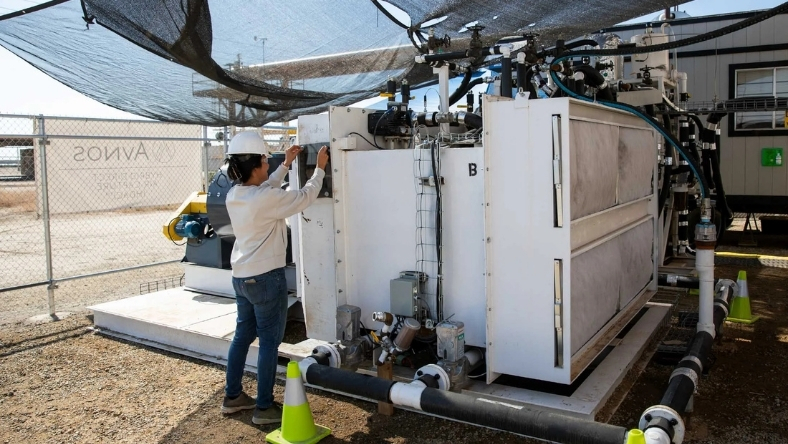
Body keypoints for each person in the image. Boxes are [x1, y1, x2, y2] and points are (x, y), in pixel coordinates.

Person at [219, 130, 328, 425]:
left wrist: (286, 164)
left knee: (242, 336)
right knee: (269, 342)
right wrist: (319, 169)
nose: (269, 165)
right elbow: (304, 196)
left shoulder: (235, 194)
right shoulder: (264, 198)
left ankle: (233, 397)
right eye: (266, 160)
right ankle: (264, 407)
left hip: (241, 278)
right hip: (267, 278)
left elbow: (265, 189)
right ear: (255, 165)